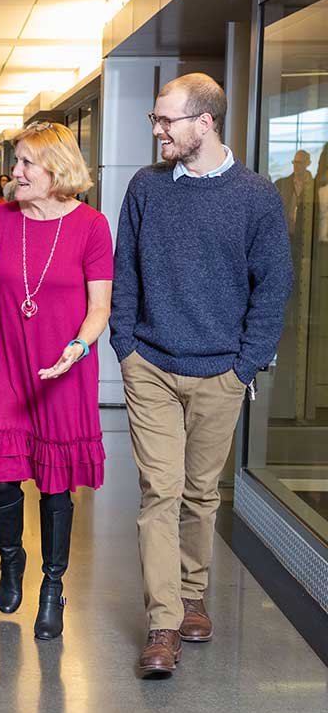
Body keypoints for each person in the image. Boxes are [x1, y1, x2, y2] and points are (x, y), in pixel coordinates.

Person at [110, 73, 293, 678]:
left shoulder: (257, 196)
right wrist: (127, 348)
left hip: (221, 370)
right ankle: (163, 624)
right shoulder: (145, 188)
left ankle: (193, 594)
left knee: (199, 491)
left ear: (205, 122)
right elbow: (125, 273)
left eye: (167, 120)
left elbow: (273, 286)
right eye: (155, 120)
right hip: (152, 367)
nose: (157, 128)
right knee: (159, 491)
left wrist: (246, 364)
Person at [0, 121, 113, 642]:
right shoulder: (0, 220)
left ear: (56, 169)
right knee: (2, 478)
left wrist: (77, 347)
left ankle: (52, 585)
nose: (13, 172)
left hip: (63, 368)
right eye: (15, 161)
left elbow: (100, 306)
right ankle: (11, 559)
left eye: (24, 163)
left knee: (55, 484)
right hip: (8, 363)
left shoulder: (91, 225)